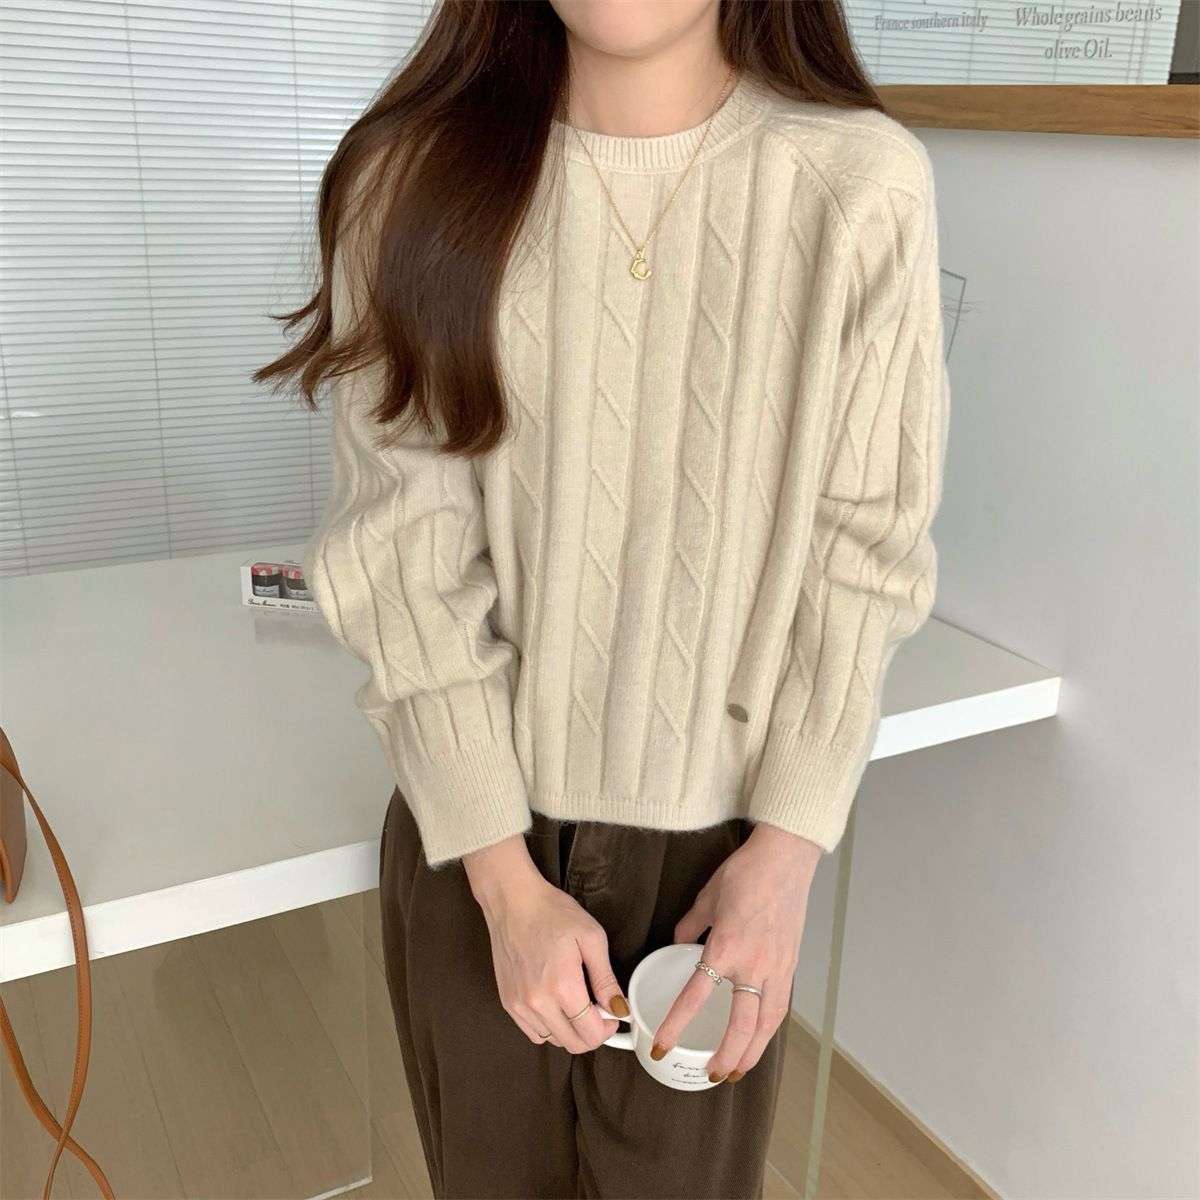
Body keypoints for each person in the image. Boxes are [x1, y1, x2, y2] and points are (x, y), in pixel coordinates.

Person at [255, 1, 950, 1195]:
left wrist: (785, 854)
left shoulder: (858, 186)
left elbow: (864, 553)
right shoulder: (411, 180)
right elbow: (402, 554)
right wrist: (500, 879)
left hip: (725, 857)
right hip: (478, 839)